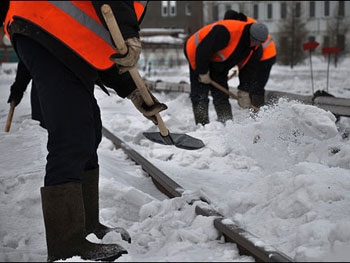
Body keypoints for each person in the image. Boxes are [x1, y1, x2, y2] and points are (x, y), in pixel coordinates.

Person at [4, 1, 167, 261]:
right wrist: (129, 34)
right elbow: (115, 30)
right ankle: (66, 243)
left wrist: (133, 91)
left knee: (89, 129)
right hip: (45, 25)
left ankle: (86, 224)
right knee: (71, 134)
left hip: (61, 35)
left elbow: (102, 46)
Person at [184, 18, 268, 125]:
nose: (255, 44)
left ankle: (226, 123)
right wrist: (203, 72)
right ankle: (202, 125)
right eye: (254, 41)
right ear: (249, 36)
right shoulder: (225, 32)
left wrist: (244, 90)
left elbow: (248, 70)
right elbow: (203, 50)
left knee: (221, 93)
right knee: (200, 93)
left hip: (219, 62)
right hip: (197, 53)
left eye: (259, 43)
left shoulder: (255, 49)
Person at [224, 9, 277, 109]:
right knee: (253, 85)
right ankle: (255, 110)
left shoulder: (247, 27)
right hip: (261, 56)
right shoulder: (244, 23)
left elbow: (249, 50)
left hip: (265, 57)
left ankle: (258, 112)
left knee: (257, 86)